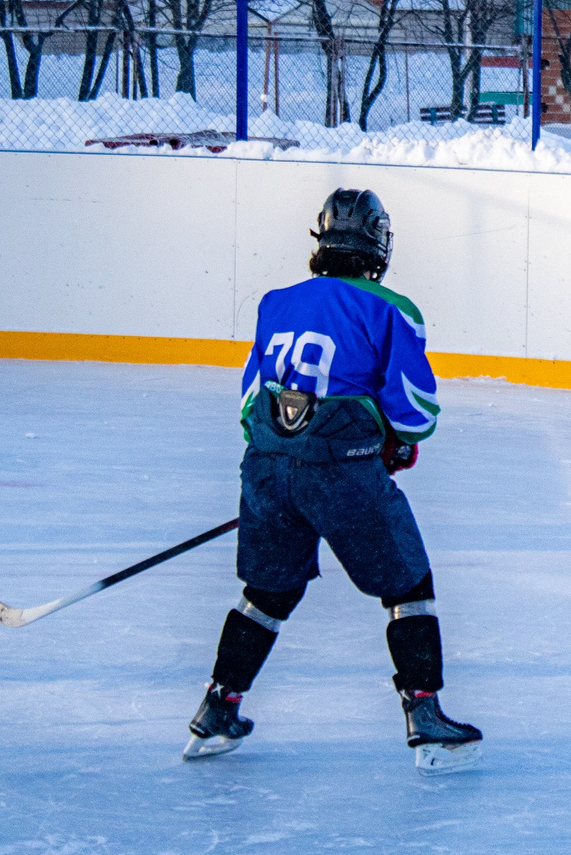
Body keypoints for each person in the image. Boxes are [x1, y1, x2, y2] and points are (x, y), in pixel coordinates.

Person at [185, 189, 482, 771]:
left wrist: (288, 458)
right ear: (377, 244)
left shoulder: (275, 302)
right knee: (409, 586)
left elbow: (250, 402)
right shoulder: (392, 308)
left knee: (268, 592)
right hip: (343, 472)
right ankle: (424, 715)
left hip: (266, 469)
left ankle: (219, 706)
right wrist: (390, 441)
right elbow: (415, 410)